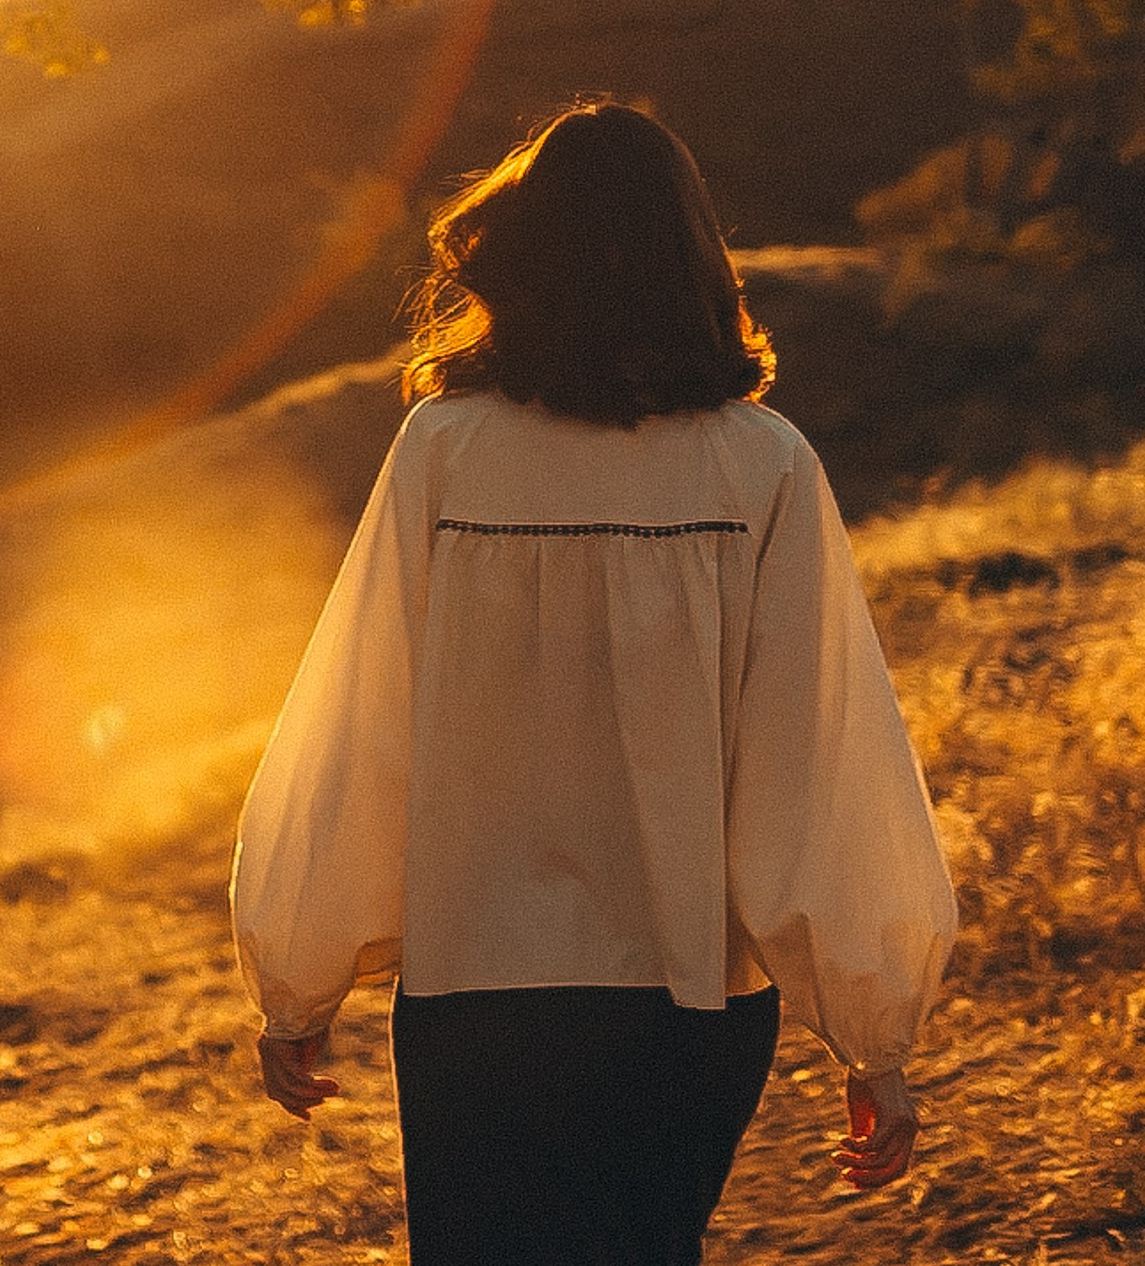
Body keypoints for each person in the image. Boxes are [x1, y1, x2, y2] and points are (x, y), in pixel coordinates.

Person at [229, 101, 959, 1264]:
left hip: (482, 998)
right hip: (688, 1009)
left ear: (519, 256)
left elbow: (362, 727)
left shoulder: (445, 450)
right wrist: (872, 1038)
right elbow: (815, 758)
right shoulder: (763, 464)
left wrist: (298, 977)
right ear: (696, 257)